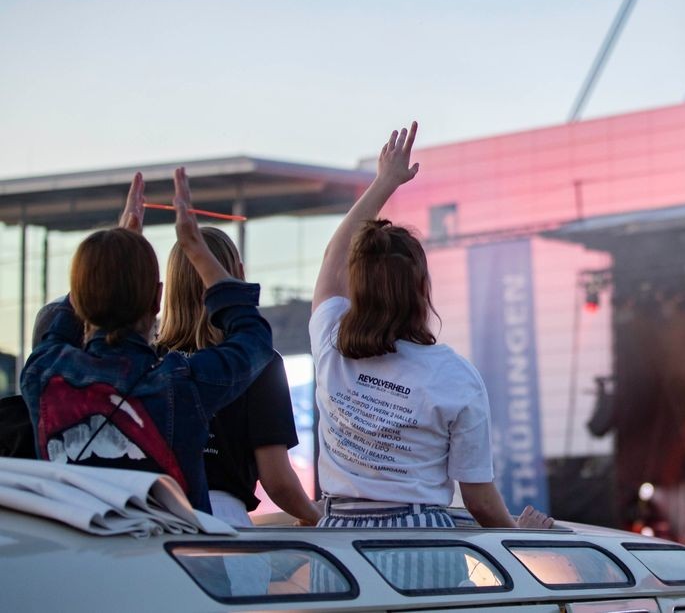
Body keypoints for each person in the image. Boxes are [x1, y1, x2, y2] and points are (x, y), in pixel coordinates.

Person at [309, 122, 552, 530]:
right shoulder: (454, 375)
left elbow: (333, 257)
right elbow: (480, 502)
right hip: (423, 540)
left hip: (339, 544)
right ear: (421, 289)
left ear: (358, 287)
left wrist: (384, 183)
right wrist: (522, 537)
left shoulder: (330, 341)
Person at [20, 169, 276, 513]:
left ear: (78, 302)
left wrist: (113, 256)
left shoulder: (42, 376)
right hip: (168, 564)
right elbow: (254, 337)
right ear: (157, 299)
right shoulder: (181, 384)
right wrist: (196, 249)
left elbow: (61, 326)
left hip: (74, 564)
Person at [157, 227, 321, 527]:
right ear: (238, 277)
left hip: (152, 524)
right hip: (225, 523)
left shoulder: (149, 360)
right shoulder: (259, 364)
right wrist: (315, 517)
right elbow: (279, 481)